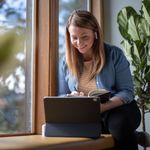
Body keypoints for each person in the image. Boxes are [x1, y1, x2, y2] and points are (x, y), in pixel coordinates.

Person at [58, 10, 142, 150]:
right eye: (74, 38)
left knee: (119, 127)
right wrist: (71, 97)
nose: (79, 43)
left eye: (85, 37)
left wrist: (101, 107)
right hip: (88, 114)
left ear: (95, 32)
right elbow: (61, 95)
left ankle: (129, 134)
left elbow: (127, 92)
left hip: (118, 108)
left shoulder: (114, 54)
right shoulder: (65, 62)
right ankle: (135, 136)